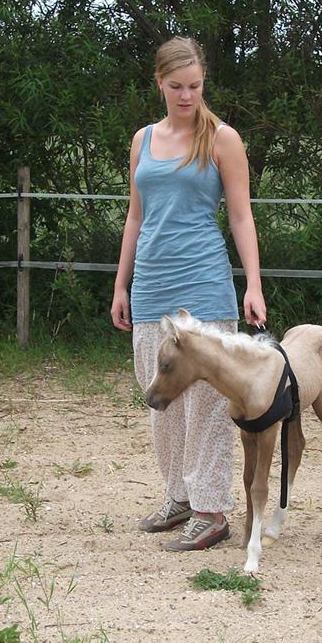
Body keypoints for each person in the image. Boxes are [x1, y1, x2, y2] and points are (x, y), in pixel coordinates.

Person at [110, 36, 267, 551]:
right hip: (152, 286)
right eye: (176, 86)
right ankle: (179, 497)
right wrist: (121, 283)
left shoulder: (223, 139)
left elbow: (241, 216)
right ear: (159, 84)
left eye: (195, 86)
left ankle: (212, 509)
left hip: (204, 287)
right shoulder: (143, 140)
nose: (186, 96)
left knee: (206, 402)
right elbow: (136, 215)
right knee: (162, 400)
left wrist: (254, 284)